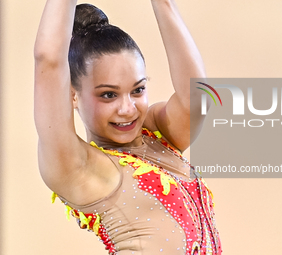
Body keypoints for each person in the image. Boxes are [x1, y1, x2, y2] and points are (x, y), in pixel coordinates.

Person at [34, 0, 222, 254]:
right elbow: (48, 60)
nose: (128, 109)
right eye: (109, 95)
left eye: (138, 90)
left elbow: (197, 98)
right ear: (72, 95)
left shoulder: (158, 135)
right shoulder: (78, 167)